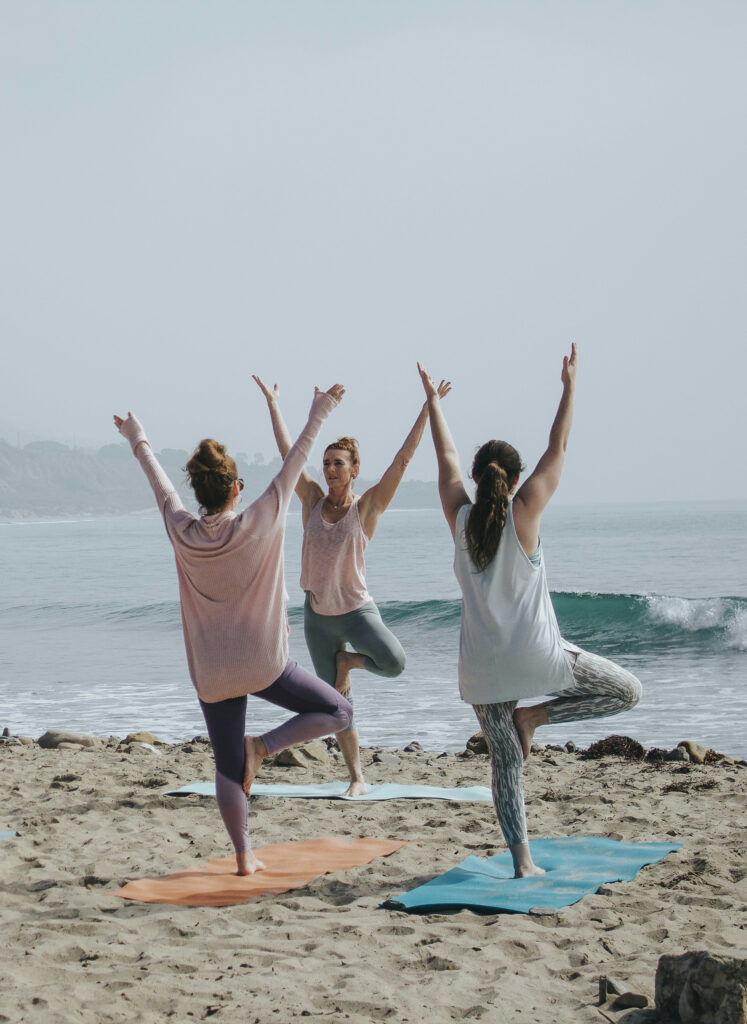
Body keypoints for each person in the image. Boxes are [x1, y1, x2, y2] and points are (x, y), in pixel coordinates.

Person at [418, 347, 642, 877]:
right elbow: (557, 447)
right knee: (627, 692)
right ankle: (536, 715)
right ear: (515, 480)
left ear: (476, 478)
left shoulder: (459, 518)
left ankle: (523, 863)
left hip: (483, 671)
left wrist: (433, 404)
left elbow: (445, 458)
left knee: (506, 764)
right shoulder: (526, 512)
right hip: (539, 658)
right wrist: (569, 387)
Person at [113, 385, 353, 875]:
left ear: (200, 494)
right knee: (339, 711)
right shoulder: (259, 520)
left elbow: (160, 485)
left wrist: (137, 437)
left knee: (226, 765)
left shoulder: (181, 530)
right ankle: (262, 747)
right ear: (237, 489)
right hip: (264, 663)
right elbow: (297, 460)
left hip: (212, 672)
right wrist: (321, 410)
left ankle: (244, 858)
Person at [254, 374, 450, 796]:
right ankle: (357, 777)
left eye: (338, 463)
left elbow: (402, 461)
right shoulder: (310, 499)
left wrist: (427, 408)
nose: (329, 469)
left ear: (354, 469)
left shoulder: (368, 508)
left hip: (357, 612)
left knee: (394, 662)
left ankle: (349, 662)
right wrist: (273, 404)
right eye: (326, 463)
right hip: (318, 617)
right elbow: (290, 454)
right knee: (338, 706)